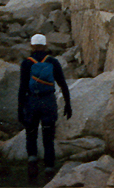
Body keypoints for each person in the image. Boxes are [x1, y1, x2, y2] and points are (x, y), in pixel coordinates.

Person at [18, 34, 72, 180]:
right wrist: (68, 104)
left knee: (31, 135)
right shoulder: (53, 62)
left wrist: (20, 110)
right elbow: (62, 84)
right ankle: (49, 170)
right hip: (48, 101)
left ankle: (32, 164)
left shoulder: (26, 63)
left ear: (31, 46)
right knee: (48, 138)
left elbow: (22, 88)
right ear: (46, 46)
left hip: (32, 102)